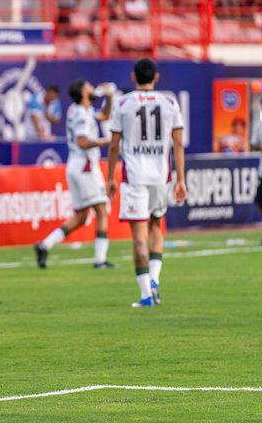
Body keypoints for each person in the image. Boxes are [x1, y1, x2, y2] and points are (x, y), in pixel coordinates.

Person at [107, 58, 187, 308]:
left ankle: (145, 295)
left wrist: (110, 177)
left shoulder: (123, 103)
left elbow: (113, 145)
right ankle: (154, 279)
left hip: (136, 177)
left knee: (138, 237)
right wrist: (181, 180)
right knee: (156, 228)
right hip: (161, 176)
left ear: (133, 77)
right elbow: (177, 144)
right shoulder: (170, 102)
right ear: (157, 77)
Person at [34, 80, 114, 269]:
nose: (93, 88)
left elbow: (103, 115)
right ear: (82, 92)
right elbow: (82, 142)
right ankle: (100, 259)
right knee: (102, 210)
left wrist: (109, 97)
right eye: (89, 86)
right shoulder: (81, 114)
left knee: (80, 217)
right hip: (85, 167)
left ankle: (45, 245)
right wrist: (105, 141)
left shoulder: (80, 110)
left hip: (75, 166)